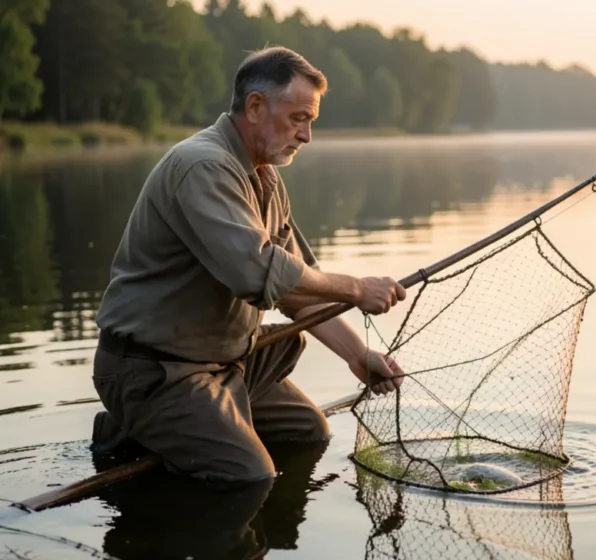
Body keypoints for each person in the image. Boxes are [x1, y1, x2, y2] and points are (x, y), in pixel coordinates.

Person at [90, 46, 406, 484]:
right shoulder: (202, 165)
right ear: (255, 107)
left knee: (306, 433)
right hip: (155, 370)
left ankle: (157, 428)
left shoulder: (266, 178)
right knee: (249, 476)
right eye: (298, 119)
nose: (306, 136)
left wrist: (358, 356)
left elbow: (298, 291)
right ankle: (141, 420)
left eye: (311, 121)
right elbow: (258, 273)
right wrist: (356, 288)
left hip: (222, 364)